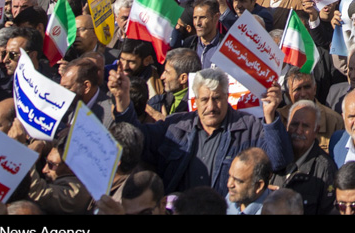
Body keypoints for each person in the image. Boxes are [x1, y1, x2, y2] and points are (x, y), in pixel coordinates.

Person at [108, 67, 292, 199]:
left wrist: (270, 116)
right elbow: (134, 141)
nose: (211, 107)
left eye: (217, 99)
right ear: (195, 100)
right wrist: (123, 101)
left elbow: (277, 162)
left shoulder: (248, 126)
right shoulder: (175, 126)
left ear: (227, 97)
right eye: (204, 100)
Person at [270, 99, 338, 215]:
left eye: (305, 126)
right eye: (294, 124)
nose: (299, 130)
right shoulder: (276, 157)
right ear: (287, 126)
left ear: (316, 130)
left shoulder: (325, 169)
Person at [226, 147, 272, 215]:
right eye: (230, 176)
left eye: (238, 181)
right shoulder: (231, 198)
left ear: (259, 186)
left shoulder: (274, 210)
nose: (229, 184)